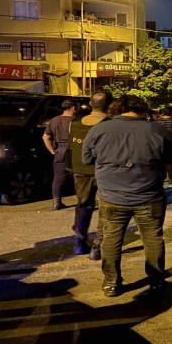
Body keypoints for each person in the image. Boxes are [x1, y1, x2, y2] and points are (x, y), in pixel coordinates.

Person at [82, 95, 172, 298]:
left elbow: (87, 159)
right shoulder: (158, 131)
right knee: (153, 238)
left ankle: (111, 283)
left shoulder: (99, 130)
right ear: (142, 109)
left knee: (111, 239)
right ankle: (156, 282)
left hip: (111, 196)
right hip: (149, 194)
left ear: (116, 109)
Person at [66, 91, 113, 260]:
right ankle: (98, 245)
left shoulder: (74, 124)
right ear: (110, 105)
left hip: (80, 170)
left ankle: (79, 242)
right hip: (105, 171)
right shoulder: (110, 124)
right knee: (106, 207)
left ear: (91, 104)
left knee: (83, 205)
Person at [42, 99, 77, 210]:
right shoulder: (76, 121)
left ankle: (56, 203)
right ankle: (83, 201)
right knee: (79, 176)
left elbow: (45, 137)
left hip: (60, 150)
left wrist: (52, 150)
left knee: (58, 178)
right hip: (74, 148)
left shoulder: (54, 120)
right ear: (74, 108)